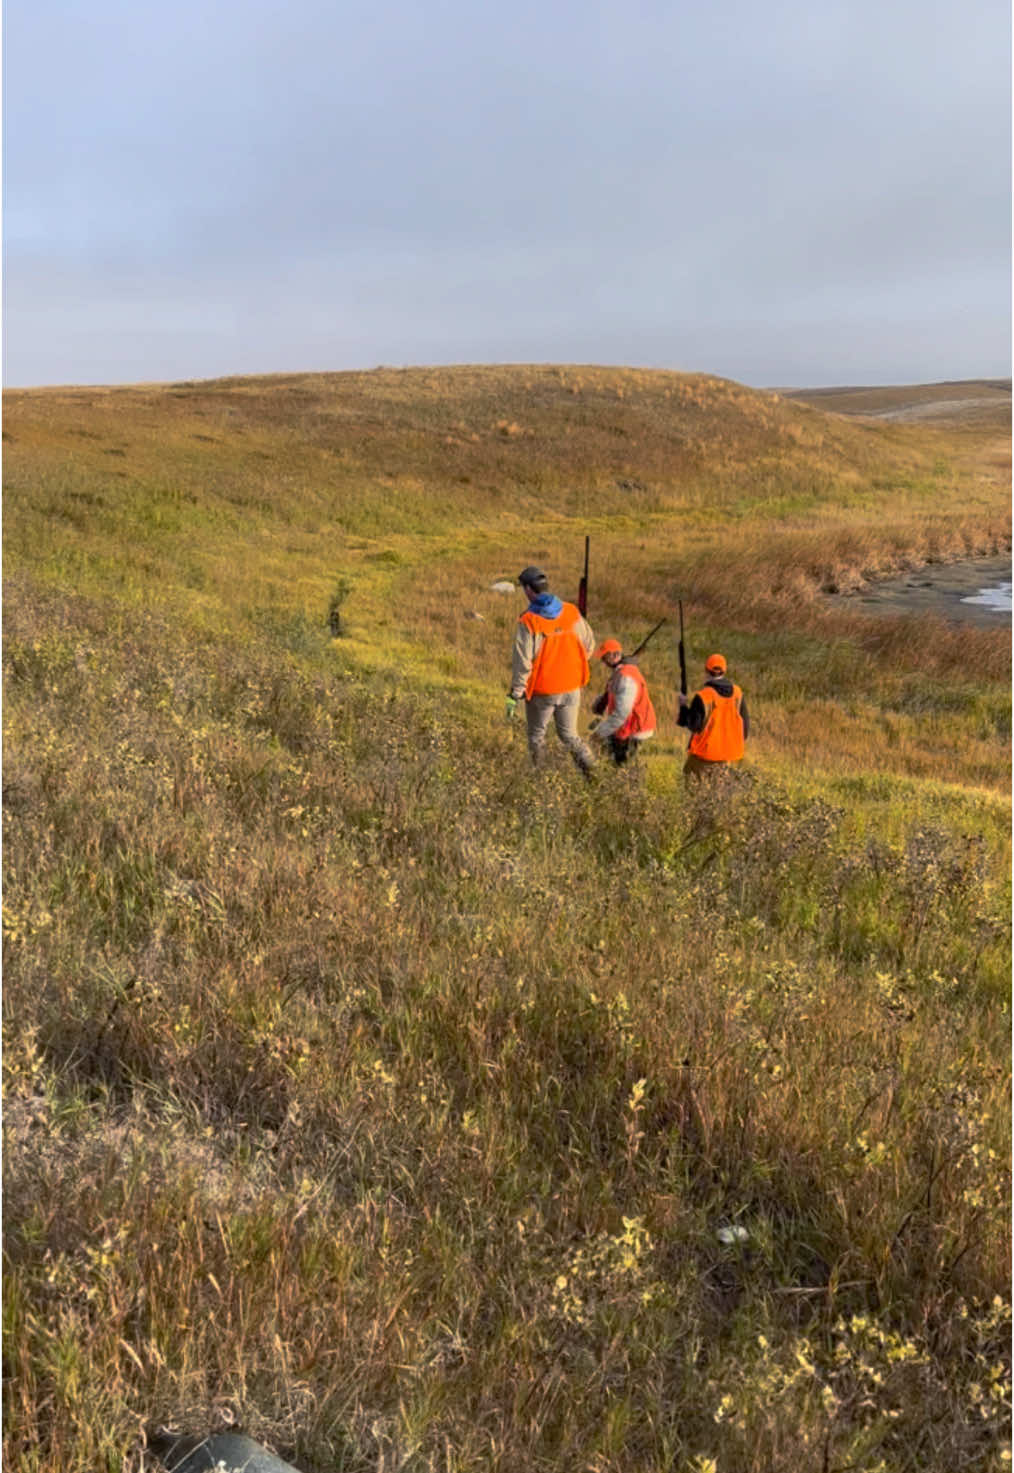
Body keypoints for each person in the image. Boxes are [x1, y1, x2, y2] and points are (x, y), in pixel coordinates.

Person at [506, 565, 597, 774]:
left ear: (529, 590)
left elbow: (523, 662)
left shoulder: (529, 621)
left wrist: (516, 692)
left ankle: (542, 779)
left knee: (537, 737)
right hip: (572, 687)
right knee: (570, 735)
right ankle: (594, 774)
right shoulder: (571, 612)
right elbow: (589, 645)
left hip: (543, 691)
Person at [677, 653, 749, 777]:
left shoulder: (704, 696)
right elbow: (745, 728)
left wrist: (683, 706)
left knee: (690, 785)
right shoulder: (737, 694)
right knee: (718, 792)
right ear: (724, 671)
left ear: (706, 671)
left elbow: (694, 725)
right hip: (727, 757)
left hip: (704, 756)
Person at [589, 639, 657, 765]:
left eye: (605, 657)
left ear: (615, 655)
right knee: (613, 762)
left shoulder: (626, 678)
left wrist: (599, 733)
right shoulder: (620, 672)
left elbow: (621, 714)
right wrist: (598, 704)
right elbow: (612, 694)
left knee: (623, 768)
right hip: (627, 726)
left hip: (635, 729)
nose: (602, 660)